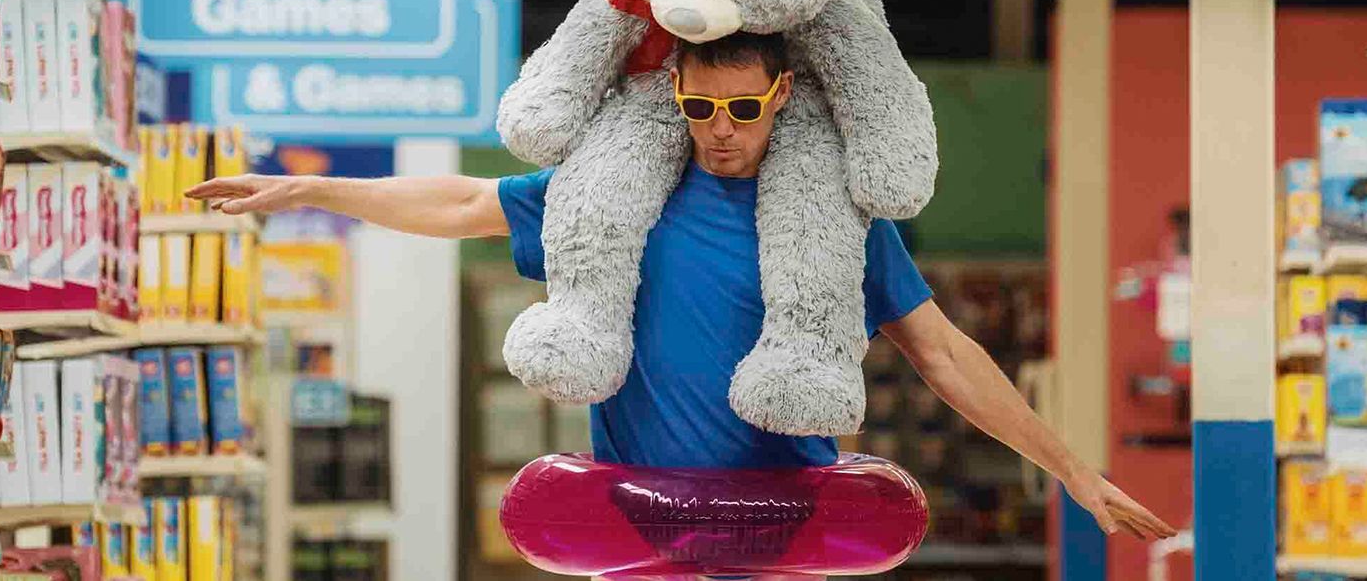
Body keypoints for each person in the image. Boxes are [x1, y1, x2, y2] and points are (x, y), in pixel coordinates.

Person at [187, 32, 1176, 548]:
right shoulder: (615, 196)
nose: (720, 128)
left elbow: (944, 354)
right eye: (700, 105)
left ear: (781, 96)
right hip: (635, 524)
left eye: (742, 107)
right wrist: (312, 189)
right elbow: (460, 202)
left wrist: (1072, 471)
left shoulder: (834, 220)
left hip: (787, 526)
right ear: (676, 96)